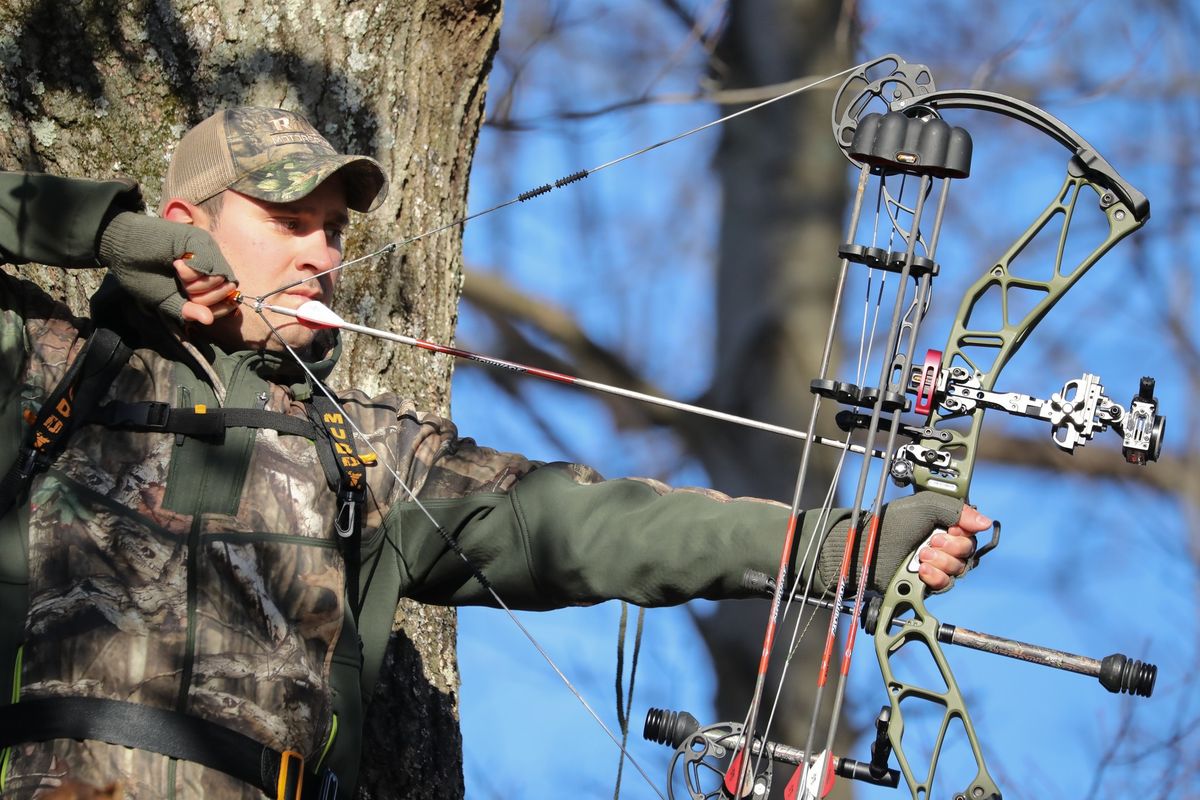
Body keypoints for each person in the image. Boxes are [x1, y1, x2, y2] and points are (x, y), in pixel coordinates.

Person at [0, 107, 988, 799]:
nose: (322, 254)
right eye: (287, 220)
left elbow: (582, 524)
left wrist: (836, 547)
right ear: (188, 227)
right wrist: (98, 227)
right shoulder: (48, 374)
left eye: (333, 230)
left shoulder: (366, 454)